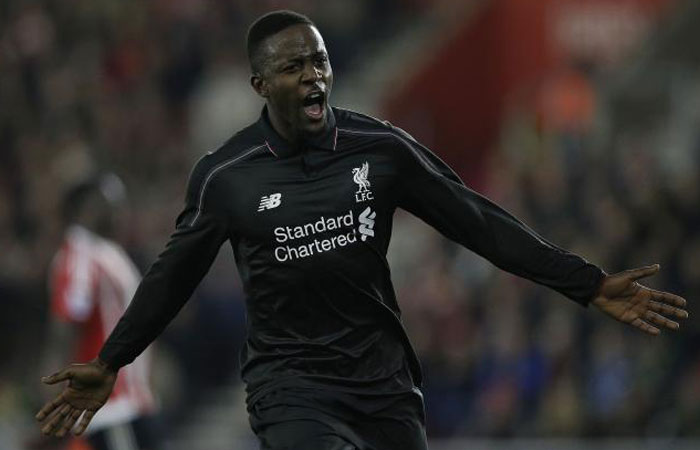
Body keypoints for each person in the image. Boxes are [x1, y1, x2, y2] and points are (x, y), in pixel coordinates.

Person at [36, 10, 688, 450]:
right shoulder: (226, 176)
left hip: (382, 382)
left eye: (319, 60)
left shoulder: (382, 150)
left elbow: (480, 223)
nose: (314, 74)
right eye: (294, 66)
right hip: (289, 384)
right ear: (262, 84)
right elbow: (171, 276)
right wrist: (110, 359)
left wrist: (586, 283)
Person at [45, 175, 160, 450]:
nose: (120, 211)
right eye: (111, 203)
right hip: (110, 405)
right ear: (87, 208)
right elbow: (68, 319)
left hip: (129, 400)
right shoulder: (81, 255)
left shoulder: (105, 252)